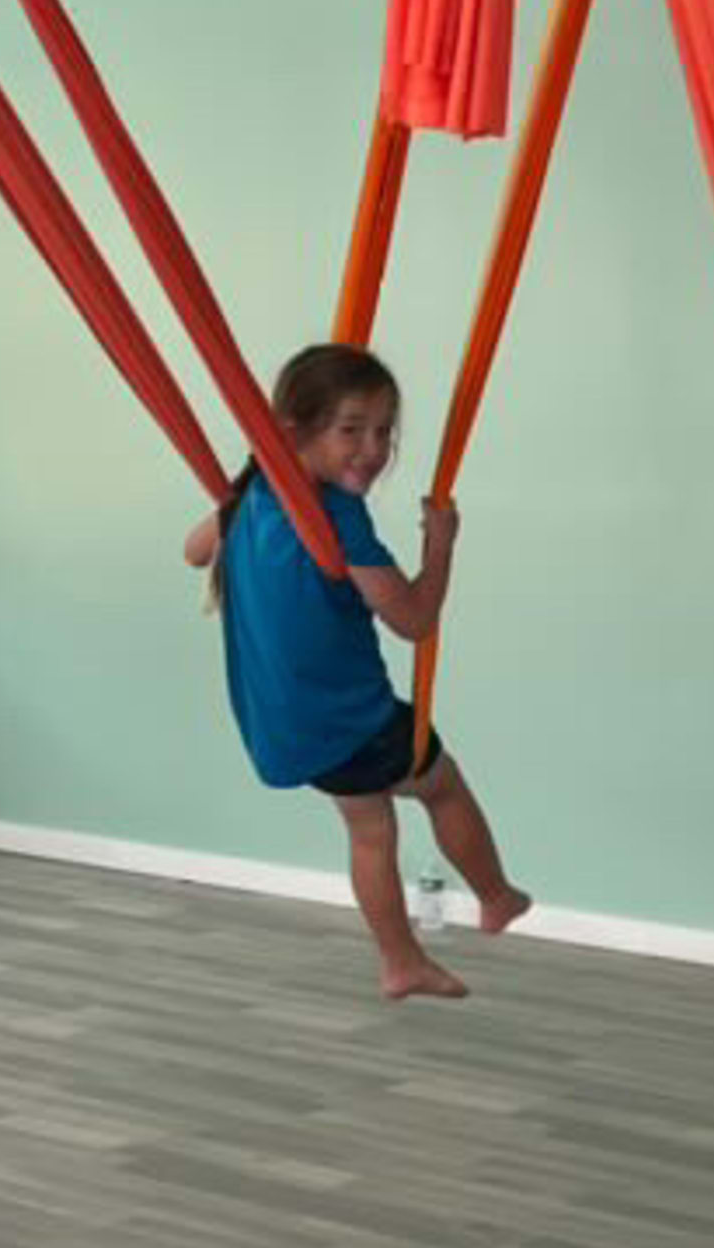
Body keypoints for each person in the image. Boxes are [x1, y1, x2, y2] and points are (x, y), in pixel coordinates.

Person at [185, 343, 531, 1000]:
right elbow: (412, 618)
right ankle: (495, 896)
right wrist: (440, 547)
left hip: (288, 725)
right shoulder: (336, 515)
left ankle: (401, 961)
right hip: (352, 721)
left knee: (370, 829)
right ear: (297, 430)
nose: (373, 449)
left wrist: (237, 506)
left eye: (384, 431)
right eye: (352, 429)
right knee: (443, 787)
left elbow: (191, 550)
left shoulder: (255, 489)